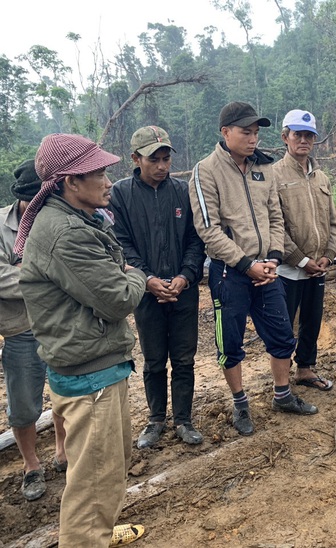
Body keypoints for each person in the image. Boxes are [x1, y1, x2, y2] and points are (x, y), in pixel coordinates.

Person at [16, 134, 146, 546]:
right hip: (90, 378)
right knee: (94, 481)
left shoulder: (76, 221)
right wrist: (140, 273)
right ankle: (87, 535)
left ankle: (97, 531)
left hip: (98, 367)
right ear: (70, 181)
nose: (109, 181)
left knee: (106, 466)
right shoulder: (65, 234)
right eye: (100, 173)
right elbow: (119, 297)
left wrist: (124, 272)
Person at [189, 102, 317, 437]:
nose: (253, 139)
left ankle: (282, 394)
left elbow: (275, 216)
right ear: (226, 132)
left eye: (257, 132)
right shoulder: (206, 171)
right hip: (231, 273)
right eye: (246, 132)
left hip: (267, 270)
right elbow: (208, 229)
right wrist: (247, 265)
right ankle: (240, 403)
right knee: (229, 342)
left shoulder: (265, 169)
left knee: (281, 335)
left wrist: (273, 258)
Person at [109, 126, 206, 449]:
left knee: (184, 358)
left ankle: (183, 419)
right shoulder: (121, 194)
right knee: (153, 360)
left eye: (166, 159)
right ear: (136, 159)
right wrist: (148, 279)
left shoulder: (182, 191)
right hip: (145, 293)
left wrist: (186, 275)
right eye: (154, 160)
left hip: (183, 289)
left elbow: (195, 240)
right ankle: (155, 419)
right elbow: (121, 244)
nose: (162, 166)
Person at [0, 160, 66, 501]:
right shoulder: (0, 224)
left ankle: (61, 451)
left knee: (64, 392)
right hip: (21, 328)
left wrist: (33, 274)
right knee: (24, 404)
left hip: (59, 324)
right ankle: (30, 465)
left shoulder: (58, 218)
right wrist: (45, 277)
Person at [273, 110, 336, 391]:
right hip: (289, 268)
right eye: (297, 134)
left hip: (318, 266)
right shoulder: (274, 175)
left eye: (308, 135)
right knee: (284, 324)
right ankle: (282, 379)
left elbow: (332, 221)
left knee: (312, 320)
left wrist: (328, 255)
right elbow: (274, 226)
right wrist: (300, 260)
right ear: (285, 137)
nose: (303, 140)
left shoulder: (321, 177)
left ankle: (306, 369)